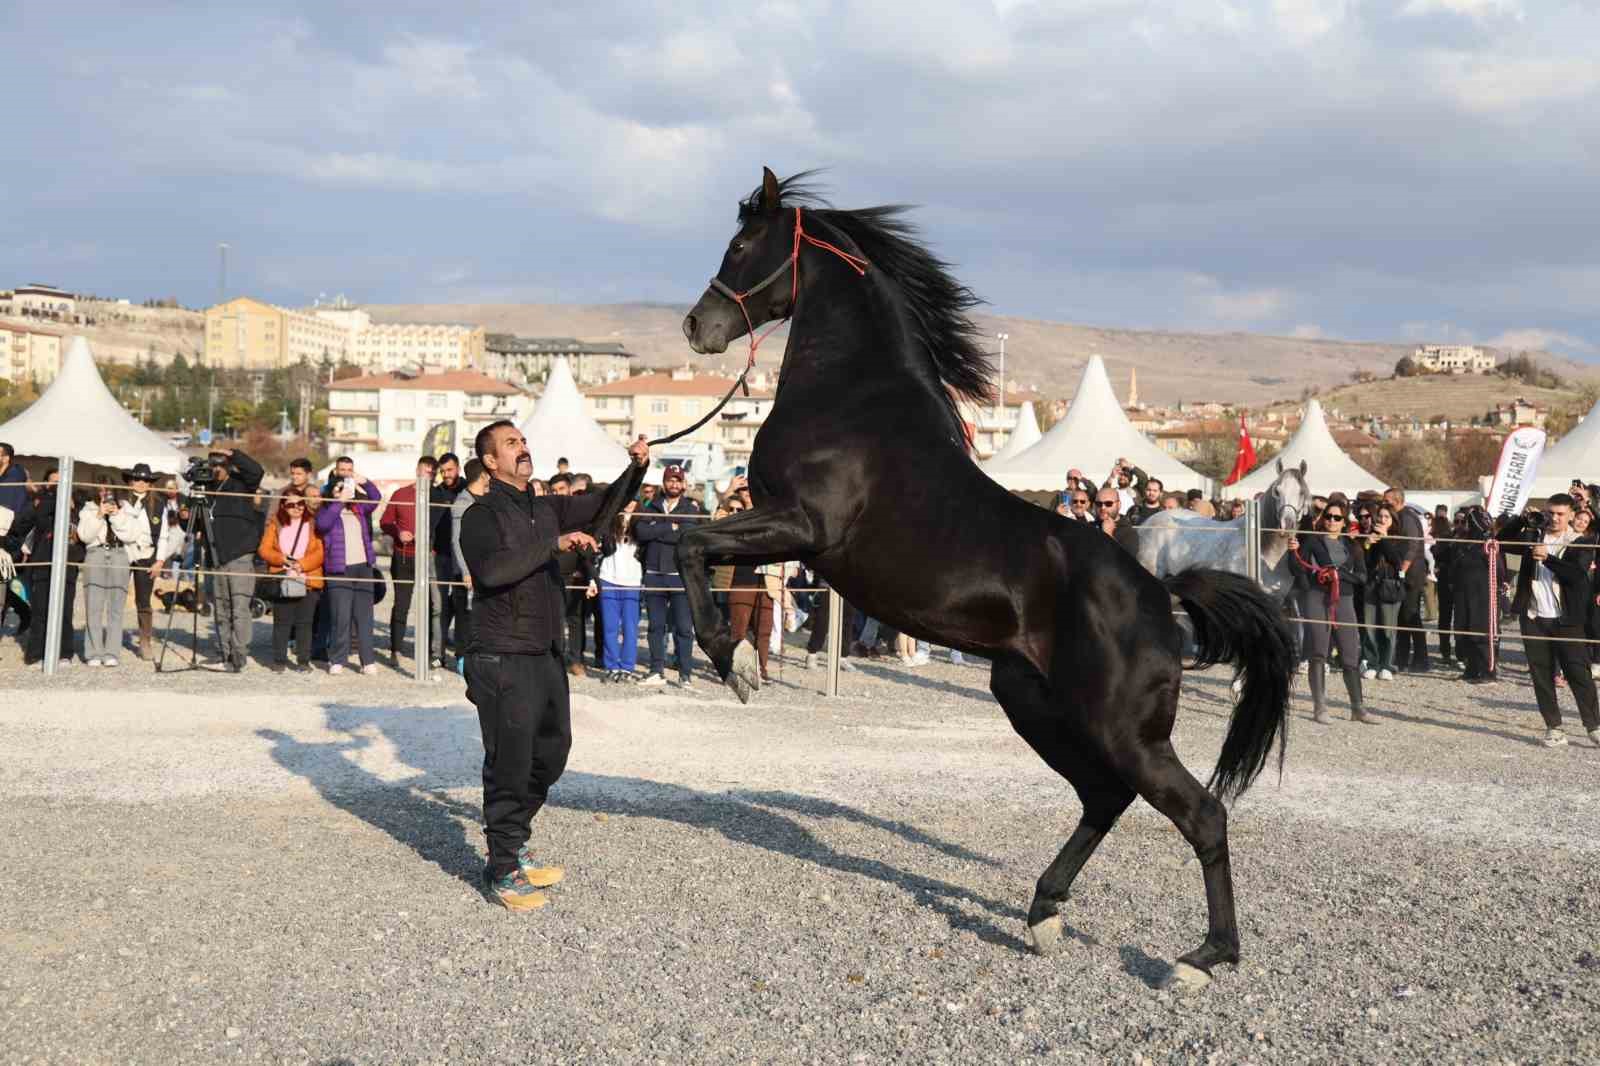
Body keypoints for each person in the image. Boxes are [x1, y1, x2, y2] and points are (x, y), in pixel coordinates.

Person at [458, 421, 648, 910]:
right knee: (509, 762)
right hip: (500, 655)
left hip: (544, 653)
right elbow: (493, 571)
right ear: (492, 462)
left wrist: (637, 467)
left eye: (523, 440)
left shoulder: (543, 507)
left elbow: (602, 506)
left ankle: (513, 842)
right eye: (511, 444)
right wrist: (553, 546)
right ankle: (501, 870)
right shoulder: (480, 516)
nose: (523, 448)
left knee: (553, 751)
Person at [1499, 494, 1600, 749]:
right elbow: (1501, 542)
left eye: (1560, 514)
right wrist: (1519, 520)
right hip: (1534, 617)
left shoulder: (1581, 541)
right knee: (1541, 675)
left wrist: (1548, 558)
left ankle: (1594, 726)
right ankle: (1554, 727)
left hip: (1567, 620)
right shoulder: (1533, 535)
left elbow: (1577, 575)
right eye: (1550, 513)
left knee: (1579, 674)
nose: (1554, 518)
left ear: (1570, 516)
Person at [1295, 503, 1374, 724]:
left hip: (1345, 600)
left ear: (1344, 522)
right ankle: (1320, 708)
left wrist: (1338, 574)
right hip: (1316, 598)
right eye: (1328, 516)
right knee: (1318, 652)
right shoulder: (1312, 541)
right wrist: (1309, 581)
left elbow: (1362, 577)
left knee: (1350, 654)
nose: (1331, 521)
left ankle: (1358, 708)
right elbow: (1298, 566)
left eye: (1337, 518)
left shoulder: (1353, 545)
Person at [634, 464, 707, 687]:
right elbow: (641, 532)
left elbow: (687, 535)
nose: (673, 484)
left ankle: (685, 674)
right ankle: (656, 670)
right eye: (670, 480)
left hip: (679, 575)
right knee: (656, 626)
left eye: (677, 480)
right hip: (654, 574)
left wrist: (662, 529)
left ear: (683, 484)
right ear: (663, 483)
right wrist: (671, 528)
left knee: (684, 628)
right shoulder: (651, 505)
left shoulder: (691, 509)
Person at [2, 469, 80, 667]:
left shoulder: (77, 504)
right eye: (53, 482)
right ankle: (36, 653)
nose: (56, 486)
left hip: (68, 562)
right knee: (40, 609)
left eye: (61, 482)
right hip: (42, 561)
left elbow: (83, 533)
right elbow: (19, 527)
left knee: (65, 609)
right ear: (46, 484)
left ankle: (64, 653)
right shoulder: (38, 503)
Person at [315, 462, 382, 675]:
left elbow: (376, 498)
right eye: (339, 487)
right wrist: (337, 501)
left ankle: (367, 660)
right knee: (340, 617)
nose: (344, 491)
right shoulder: (327, 509)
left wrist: (363, 480)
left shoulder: (358, 509)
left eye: (347, 487)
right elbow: (322, 525)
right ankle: (338, 659)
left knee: (364, 617)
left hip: (363, 568)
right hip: (338, 569)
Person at [203, 448, 265, 672]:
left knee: (239, 607)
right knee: (221, 608)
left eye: (220, 465)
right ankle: (223, 652)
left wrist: (233, 453)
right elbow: (195, 524)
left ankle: (239, 656)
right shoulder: (206, 488)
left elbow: (257, 471)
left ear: (227, 465)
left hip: (240, 554)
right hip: (216, 556)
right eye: (212, 465)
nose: (216, 469)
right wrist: (184, 515)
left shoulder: (241, 483)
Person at [380, 456, 444, 671]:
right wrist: (399, 532)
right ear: (417, 470)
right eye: (426, 471)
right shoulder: (401, 494)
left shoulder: (438, 496)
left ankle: (429, 651)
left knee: (431, 606)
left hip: (429, 556)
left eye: (432, 473)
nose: (429, 475)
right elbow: (385, 521)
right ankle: (395, 649)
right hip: (404, 555)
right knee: (402, 604)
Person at [77, 483, 149, 667]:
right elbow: (85, 536)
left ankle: (111, 652)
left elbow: (132, 534)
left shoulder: (126, 509)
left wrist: (116, 515)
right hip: (95, 554)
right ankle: (93, 652)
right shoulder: (88, 509)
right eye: (101, 491)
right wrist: (99, 515)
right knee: (93, 605)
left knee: (116, 607)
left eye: (108, 491)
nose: (105, 495)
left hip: (119, 555)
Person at [257, 486, 324, 672]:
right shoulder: (275, 523)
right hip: (282, 577)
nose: (297, 508)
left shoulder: (313, 523)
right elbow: (264, 549)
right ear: (283, 506)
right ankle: (279, 660)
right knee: (282, 622)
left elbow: (320, 551)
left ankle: (303, 661)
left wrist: (302, 564)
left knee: (305, 623)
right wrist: (281, 559)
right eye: (291, 505)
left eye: (300, 503)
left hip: (308, 579)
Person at [449, 458, 491, 676]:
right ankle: (463, 659)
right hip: (467, 571)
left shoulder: (489, 499)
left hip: (487, 568)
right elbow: (456, 540)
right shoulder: (462, 502)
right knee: (465, 617)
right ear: (482, 474)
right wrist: (465, 571)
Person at [121, 463, 166, 660]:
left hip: (147, 555)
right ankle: (112, 640)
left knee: (144, 600)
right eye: (137, 479)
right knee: (117, 597)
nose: (141, 483)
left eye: (145, 480)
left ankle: (145, 641)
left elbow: (163, 534)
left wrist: (160, 560)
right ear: (131, 481)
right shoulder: (122, 501)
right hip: (124, 553)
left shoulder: (159, 503)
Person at [1384, 486, 1431, 673]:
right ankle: (1402, 658)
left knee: (1412, 617)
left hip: (1411, 575)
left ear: (1396, 500)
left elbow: (1412, 546)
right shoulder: (1400, 517)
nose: (1384, 504)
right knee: (1402, 618)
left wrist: (1402, 570)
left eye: (1386, 500)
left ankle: (1421, 659)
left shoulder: (1407, 518)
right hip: (1405, 573)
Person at [594, 504, 643, 682]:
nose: (629, 502)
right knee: (610, 627)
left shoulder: (641, 519)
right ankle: (612, 666)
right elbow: (602, 546)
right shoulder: (610, 518)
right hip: (608, 578)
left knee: (630, 628)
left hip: (632, 581)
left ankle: (627, 667)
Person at [1360, 504, 1406, 681]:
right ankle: (1372, 663)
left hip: (1390, 587)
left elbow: (1397, 561)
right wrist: (1367, 546)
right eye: (1380, 516)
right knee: (1370, 627)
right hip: (1372, 586)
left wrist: (1384, 539)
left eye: (1387, 517)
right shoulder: (1370, 537)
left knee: (1388, 628)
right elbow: (1366, 564)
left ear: (1393, 520)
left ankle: (1387, 664)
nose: (1382, 520)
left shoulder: (1400, 539)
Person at [1093, 488, 1141, 555]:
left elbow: (1126, 561)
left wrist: (1108, 535)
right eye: (1099, 504)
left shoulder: (1129, 532)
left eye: (1108, 503)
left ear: (1118, 505)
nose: (1103, 507)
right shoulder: (1090, 526)